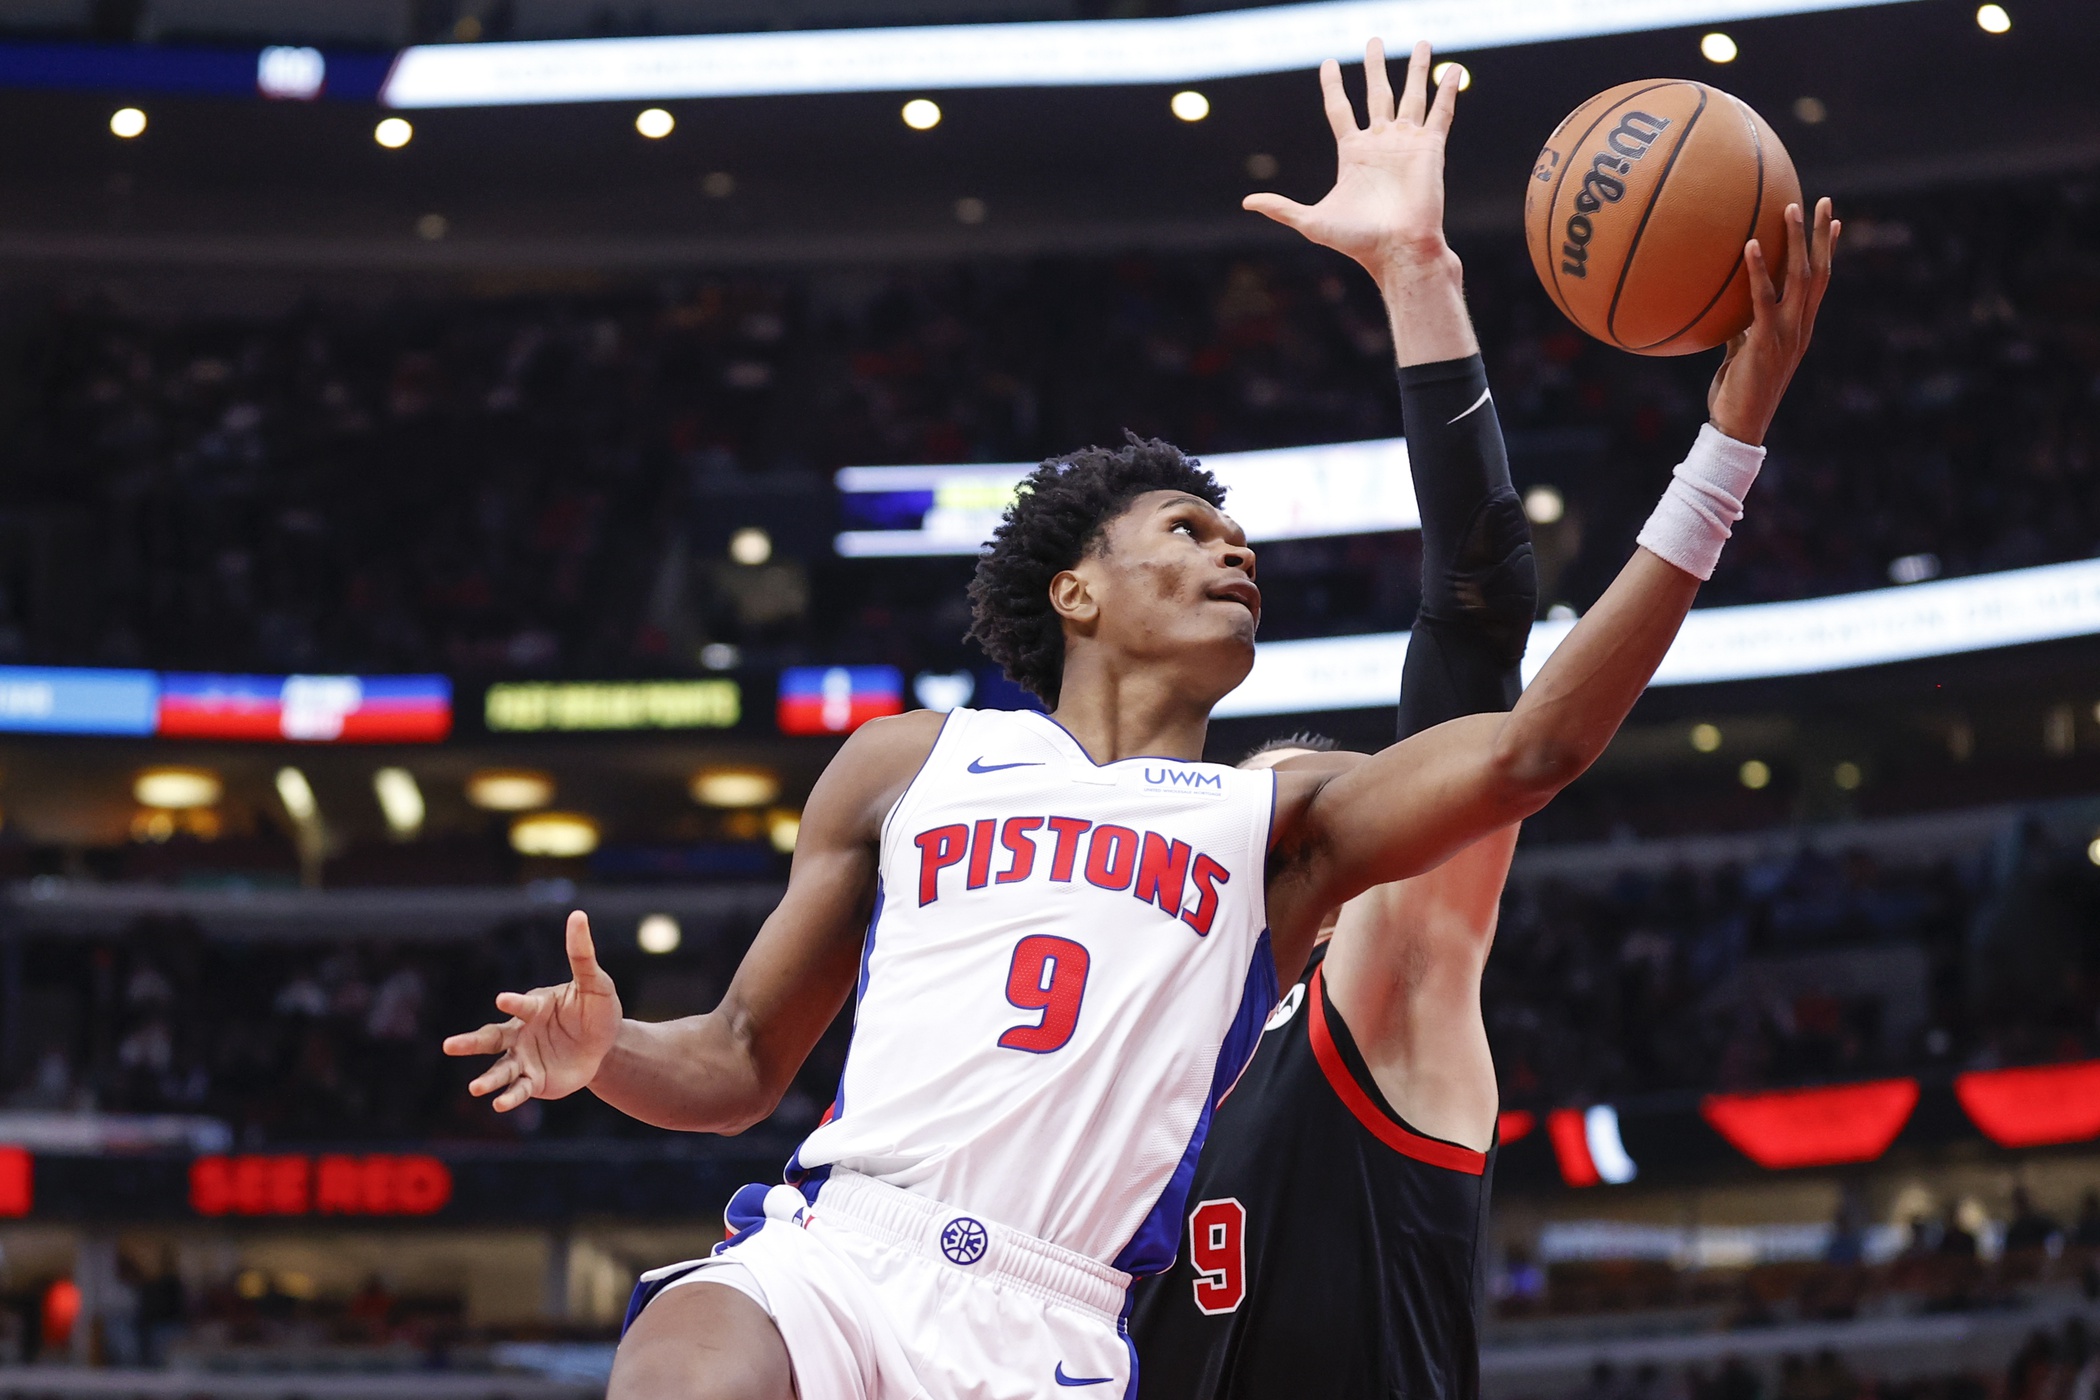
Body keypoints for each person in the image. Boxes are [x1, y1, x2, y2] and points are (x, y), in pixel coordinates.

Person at [444, 38, 1838, 1400]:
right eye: (1189, 526)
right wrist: (602, 1055)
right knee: (687, 1352)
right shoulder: (903, 763)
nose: (1237, 552)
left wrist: (1725, 443)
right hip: (844, 1249)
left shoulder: (1273, 831)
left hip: (1048, 1324)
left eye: (1241, 536)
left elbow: (1528, 735)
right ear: (1078, 588)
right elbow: (744, 1061)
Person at [1128, 37, 1531, 1391]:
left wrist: (1419, 279)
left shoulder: (1396, 978)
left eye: (1357, 803)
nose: (1326, 806)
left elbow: (1476, 614)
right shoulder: (1142, 1075)